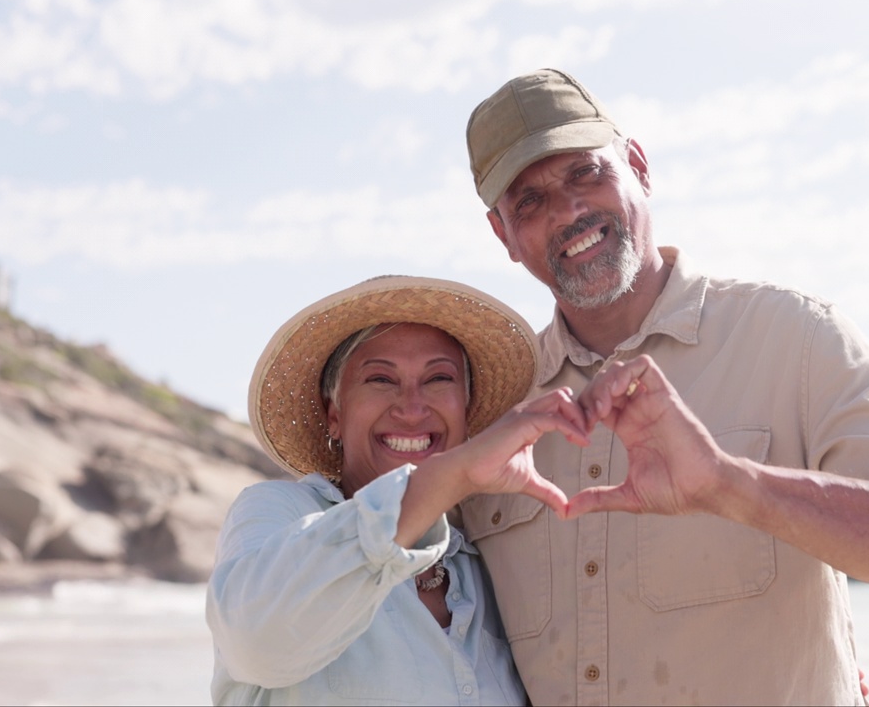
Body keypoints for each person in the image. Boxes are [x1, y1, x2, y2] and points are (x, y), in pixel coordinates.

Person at [459, 68, 869, 705]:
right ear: (503, 235)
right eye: (528, 201)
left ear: (638, 166)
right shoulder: (496, 410)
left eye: (587, 173)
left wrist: (733, 486)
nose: (568, 210)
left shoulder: (794, 338)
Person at [206, 275, 590, 705]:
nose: (411, 407)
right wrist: (449, 476)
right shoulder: (278, 511)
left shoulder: (478, 565)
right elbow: (257, 643)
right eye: (381, 380)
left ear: (466, 409)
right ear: (334, 414)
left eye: (439, 378)